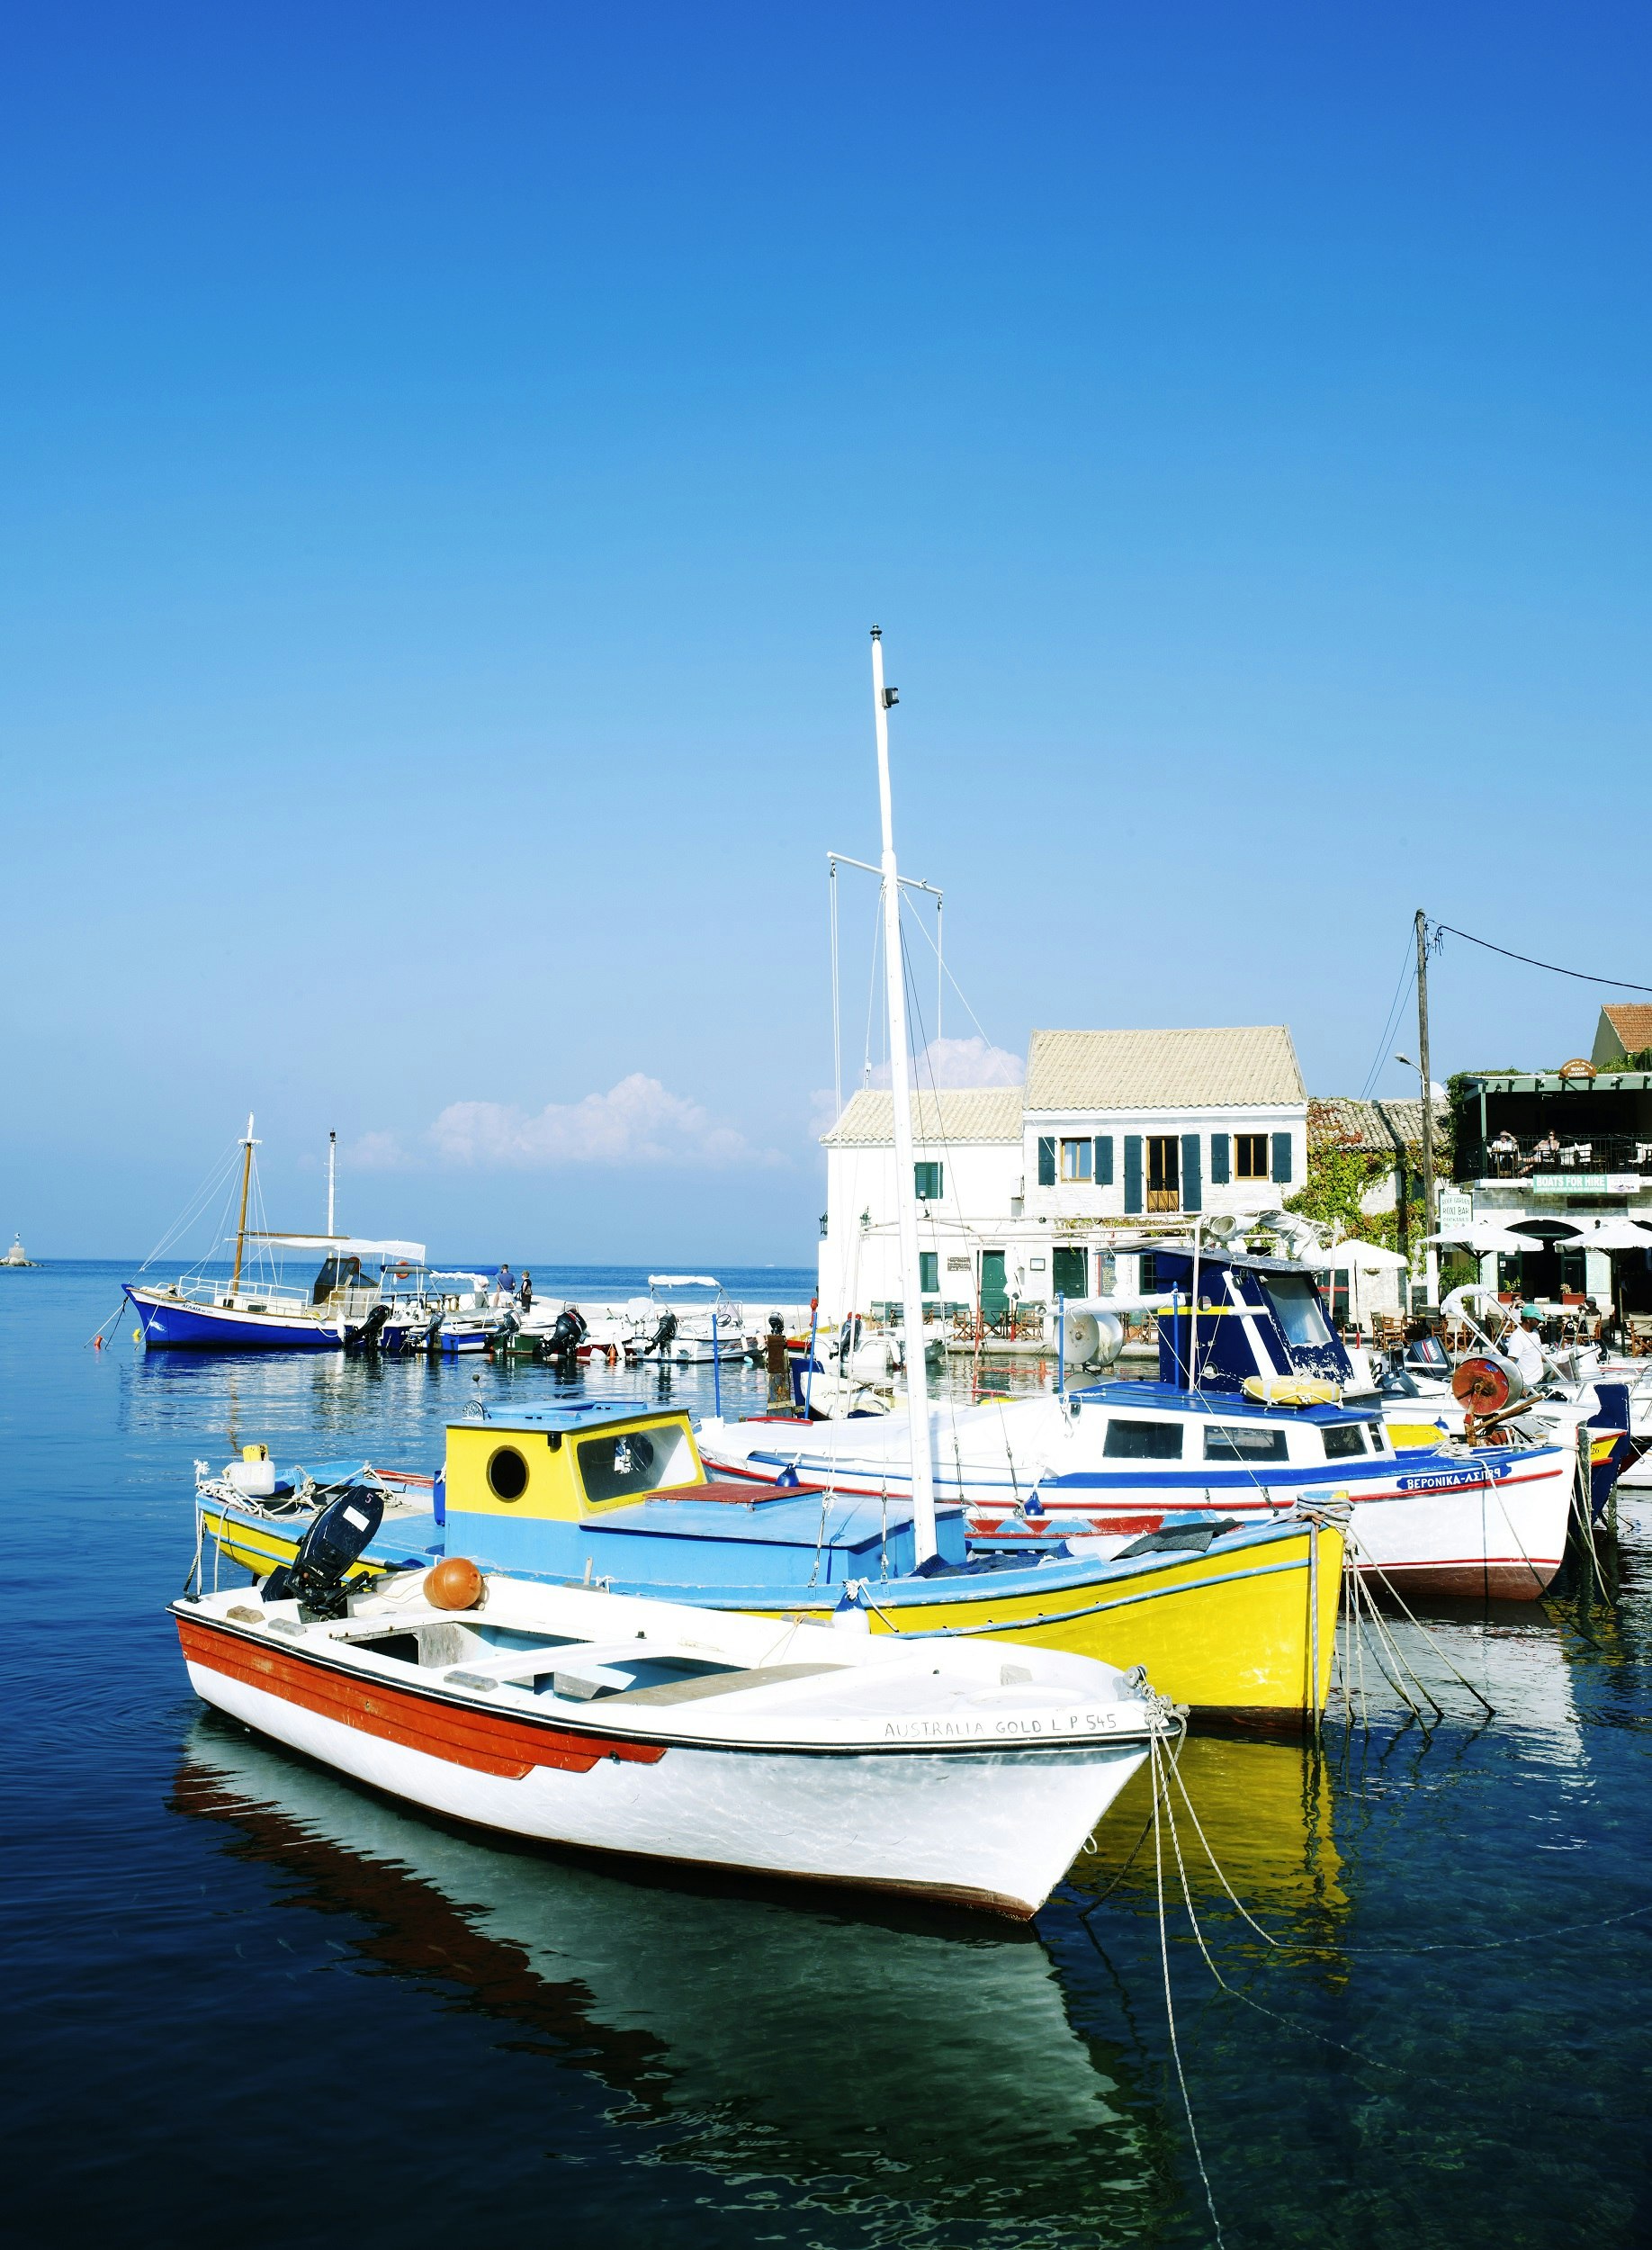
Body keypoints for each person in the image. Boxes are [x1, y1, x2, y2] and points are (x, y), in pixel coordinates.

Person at [764, 1313, 792, 1411]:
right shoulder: (780, 1339)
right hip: (779, 1371)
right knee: (779, 1387)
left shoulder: (775, 1338)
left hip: (776, 1370)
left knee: (776, 1388)